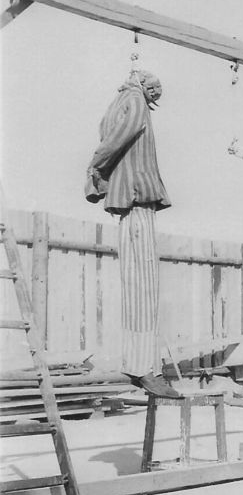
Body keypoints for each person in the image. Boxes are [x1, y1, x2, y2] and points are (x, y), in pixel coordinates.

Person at [85, 69, 179, 399]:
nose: (158, 95)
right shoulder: (135, 101)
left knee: (136, 283)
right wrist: (96, 166)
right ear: (145, 85)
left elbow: (109, 129)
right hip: (137, 197)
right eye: (156, 89)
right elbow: (120, 134)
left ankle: (139, 364)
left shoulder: (121, 100)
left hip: (130, 198)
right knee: (144, 286)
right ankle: (144, 368)